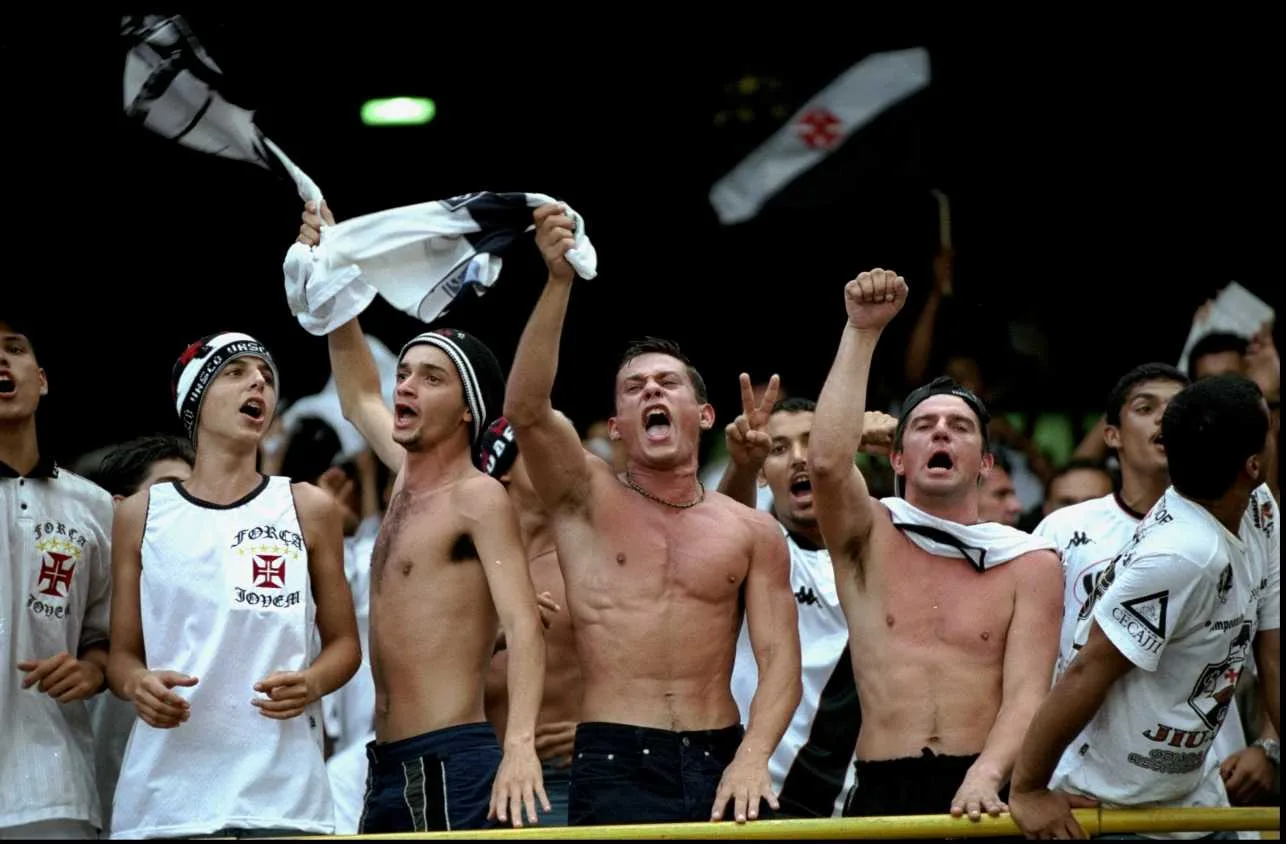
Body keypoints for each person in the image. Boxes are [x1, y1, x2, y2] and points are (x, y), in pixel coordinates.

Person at [503, 203, 802, 827]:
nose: (652, 392)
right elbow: (527, 408)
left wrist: (753, 758)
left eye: (668, 383)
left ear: (705, 415)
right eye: (634, 388)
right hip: (613, 755)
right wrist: (558, 281)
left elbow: (781, 665)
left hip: (720, 753)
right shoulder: (585, 499)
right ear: (616, 427)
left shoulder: (751, 528)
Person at [297, 201, 549, 832]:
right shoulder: (406, 477)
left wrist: (520, 747)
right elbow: (358, 395)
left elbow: (524, 627)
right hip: (385, 763)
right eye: (405, 373)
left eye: (430, 378)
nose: (405, 386)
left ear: (468, 410)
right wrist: (335, 265)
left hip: (449, 759)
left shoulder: (477, 496)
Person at [807, 269, 1063, 823]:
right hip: (882, 785)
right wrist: (862, 332)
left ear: (986, 463)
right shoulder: (867, 534)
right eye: (923, 425)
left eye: (960, 426)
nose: (942, 431)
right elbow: (826, 463)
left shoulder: (1030, 561)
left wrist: (987, 774)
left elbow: (1028, 694)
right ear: (898, 459)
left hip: (984, 783)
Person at [106, 331, 362, 839]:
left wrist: (313, 681)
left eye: (266, 376)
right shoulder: (140, 514)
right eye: (236, 372)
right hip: (166, 802)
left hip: (284, 800)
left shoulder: (308, 507)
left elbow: (345, 645)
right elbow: (122, 657)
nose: (259, 383)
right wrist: (137, 685)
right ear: (195, 400)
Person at [1009, 374, 1280, 840]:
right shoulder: (1182, 553)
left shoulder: (1260, 507)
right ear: (1252, 464)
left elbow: (1273, 653)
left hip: (1195, 795)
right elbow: (1087, 669)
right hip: (1108, 804)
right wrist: (1028, 789)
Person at [719, 381, 897, 818]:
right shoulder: (761, 551)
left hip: (864, 799)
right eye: (779, 449)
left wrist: (904, 437)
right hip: (760, 796)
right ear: (763, 473)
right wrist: (742, 465)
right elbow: (718, 534)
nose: (801, 458)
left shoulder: (890, 544)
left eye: (813, 442)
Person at [0, 319, 115, 839]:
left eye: (14, 348)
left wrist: (92, 670)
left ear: (41, 379)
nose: (2, 360)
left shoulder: (94, 507)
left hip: (54, 787)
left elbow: (108, 637)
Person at [81, 434, 195, 837]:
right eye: (170, 490)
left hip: (176, 812)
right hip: (84, 807)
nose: (188, 505)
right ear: (119, 507)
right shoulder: (79, 592)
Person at [481, 418, 583, 828]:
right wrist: (490, 638)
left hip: (564, 776)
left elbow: (647, 663)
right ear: (503, 469)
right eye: (540, 447)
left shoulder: (589, 559)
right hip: (477, 778)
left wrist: (600, 734)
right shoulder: (467, 567)